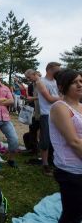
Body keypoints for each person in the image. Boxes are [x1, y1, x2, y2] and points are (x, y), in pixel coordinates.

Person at [49, 69, 82, 223]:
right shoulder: (60, 107)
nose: (80, 84)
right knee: (72, 215)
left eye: (81, 81)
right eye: (75, 82)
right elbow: (74, 141)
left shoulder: (80, 106)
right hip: (71, 171)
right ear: (63, 87)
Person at [36, 62, 61, 175]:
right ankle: (45, 165)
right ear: (49, 69)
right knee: (45, 140)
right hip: (46, 114)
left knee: (57, 140)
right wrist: (63, 98)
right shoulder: (41, 82)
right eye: (57, 69)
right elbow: (49, 99)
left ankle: (53, 162)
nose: (59, 72)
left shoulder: (57, 81)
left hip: (58, 113)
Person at [24, 69, 41, 154]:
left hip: (43, 112)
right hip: (36, 112)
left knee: (41, 133)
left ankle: (40, 150)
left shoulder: (42, 83)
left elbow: (46, 96)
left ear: (34, 74)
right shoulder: (33, 84)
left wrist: (33, 98)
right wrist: (29, 100)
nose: (28, 79)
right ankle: (33, 149)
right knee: (32, 129)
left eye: (28, 77)